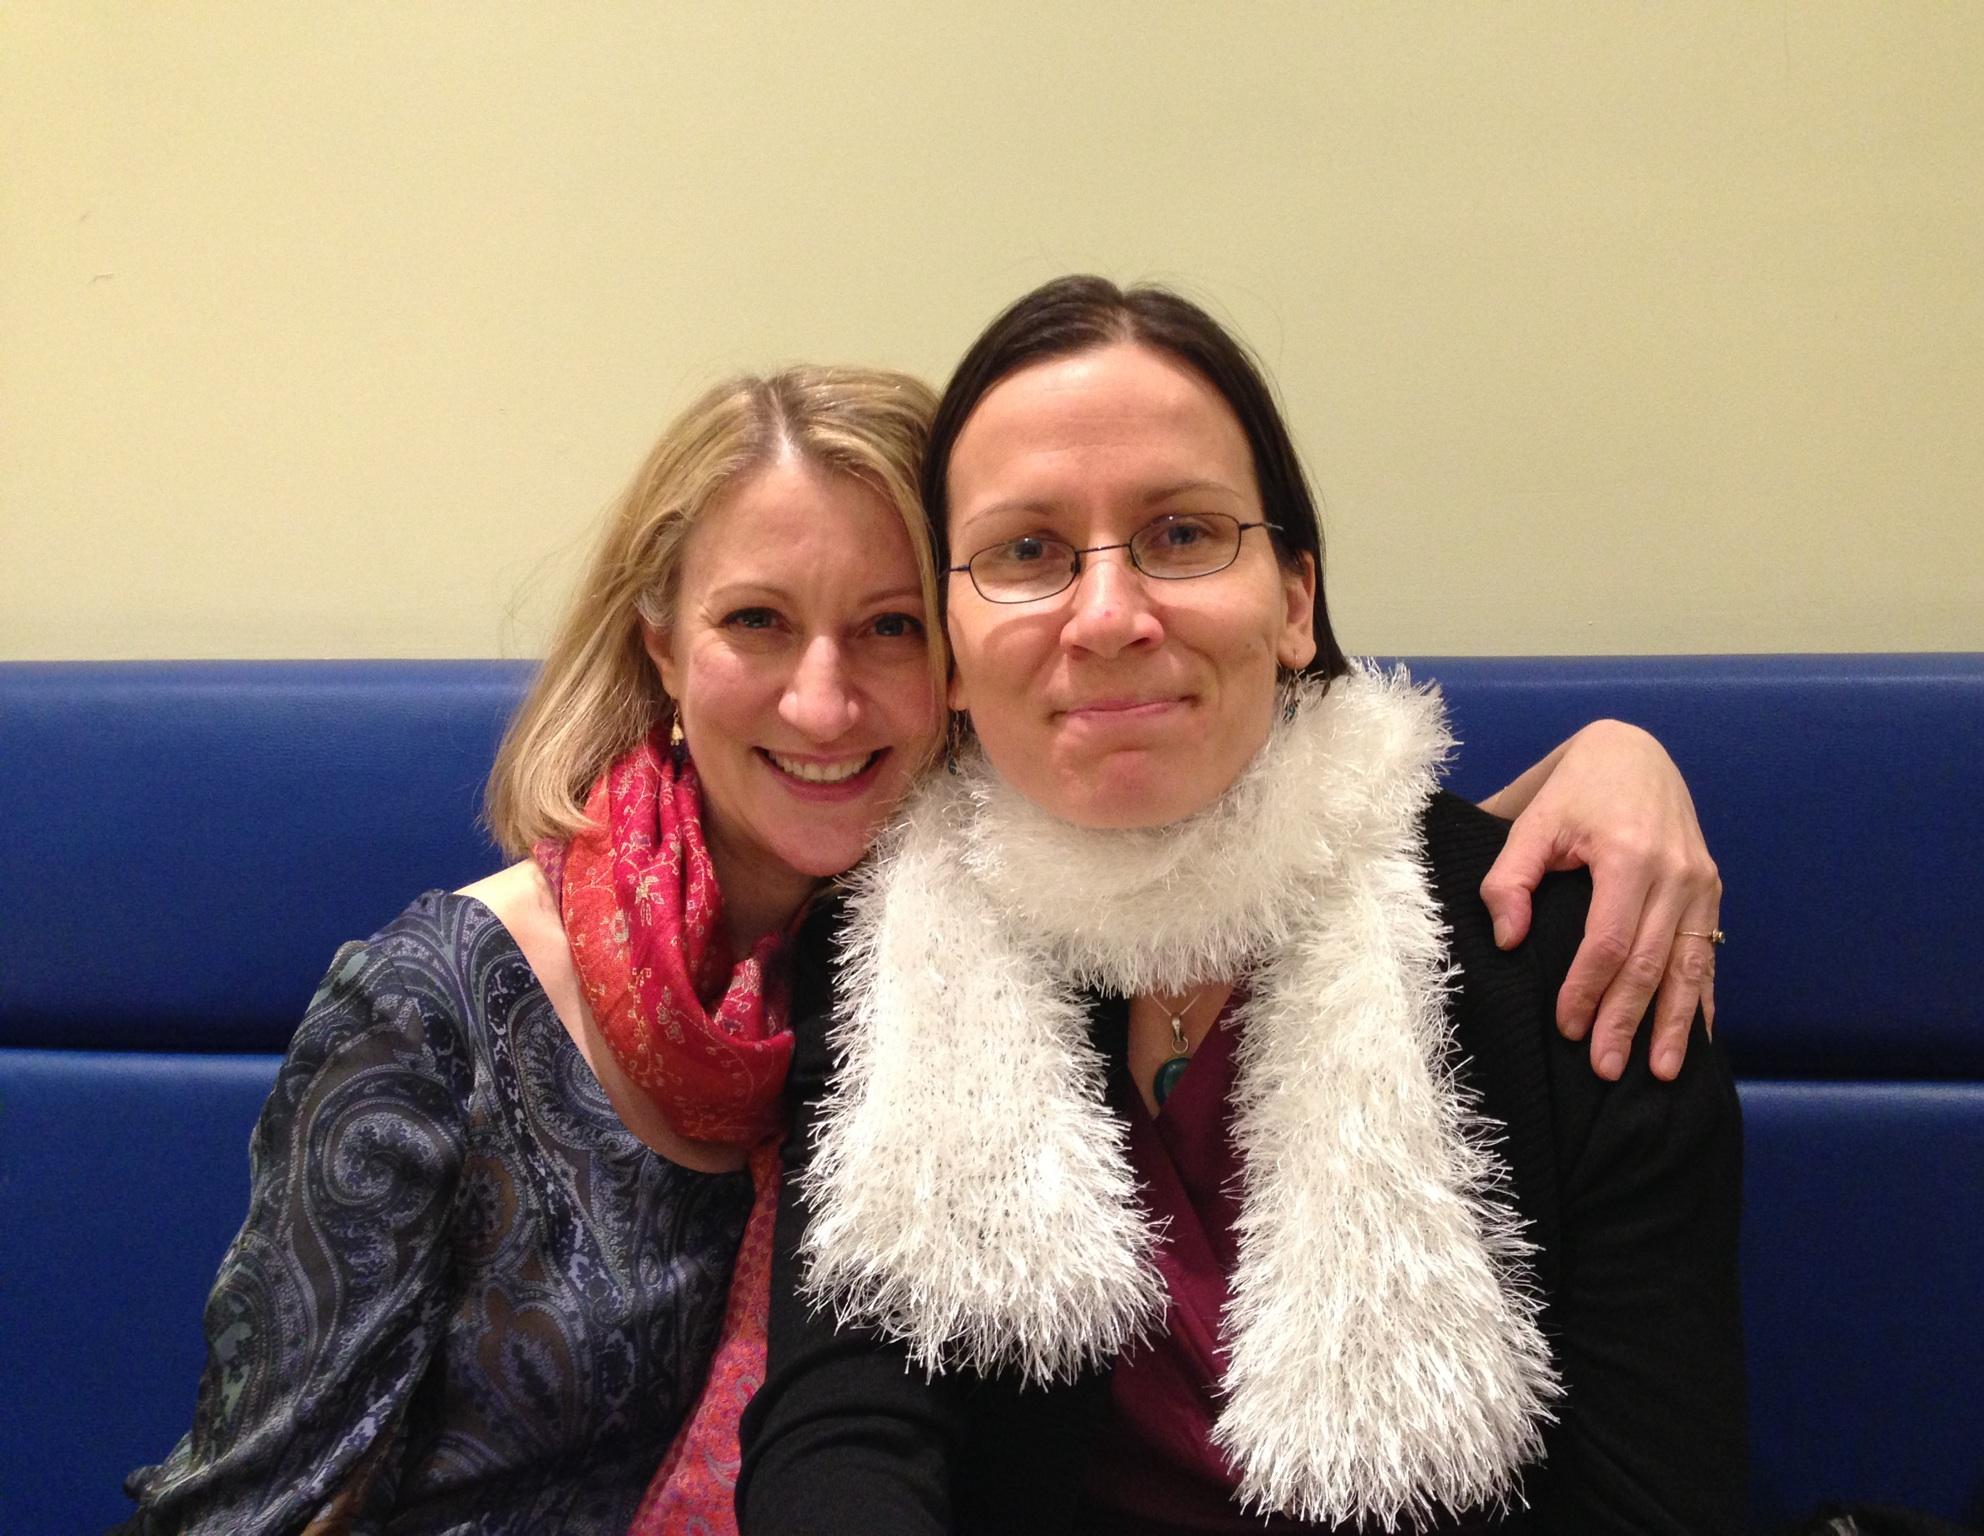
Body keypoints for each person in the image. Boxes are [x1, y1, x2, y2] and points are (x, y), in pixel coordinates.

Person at [119, 352, 1718, 1534]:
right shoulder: (467, 1002)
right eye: (757, 621)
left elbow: (1337, 844)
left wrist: (1614, 758)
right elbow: (264, 1495)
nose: (825, 701)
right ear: (661, 646)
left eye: (887, 626)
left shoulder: (955, 921)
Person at [737, 279, 1745, 1535]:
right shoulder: (885, 952)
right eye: (1025, 553)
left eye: (1180, 535)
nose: (1107, 617)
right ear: (949, 642)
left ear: (1292, 603)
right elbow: (844, 1427)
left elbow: (1656, 1500)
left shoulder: (1565, 952)